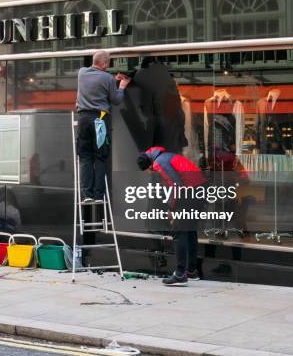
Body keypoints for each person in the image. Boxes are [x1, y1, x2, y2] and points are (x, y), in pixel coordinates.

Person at [137, 146, 206, 286]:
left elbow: (176, 185)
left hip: (190, 191)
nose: (150, 174)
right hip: (199, 188)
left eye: (148, 171)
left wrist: (171, 207)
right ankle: (192, 271)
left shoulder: (159, 163)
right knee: (190, 231)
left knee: (179, 232)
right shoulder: (166, 156)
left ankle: (180, 274)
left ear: (150, 165)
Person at [76, 50, 131, 202]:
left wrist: (112, 79)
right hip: (99, 119)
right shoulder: (107, 78)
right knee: (100, 157)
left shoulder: (81, 73)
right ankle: (99, 195)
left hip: (83, 118)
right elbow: (116, 99)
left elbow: (97, 81)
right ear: (105, 63)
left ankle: (87, 194)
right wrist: (121, 86)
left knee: (85, 157)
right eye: (108, 64)